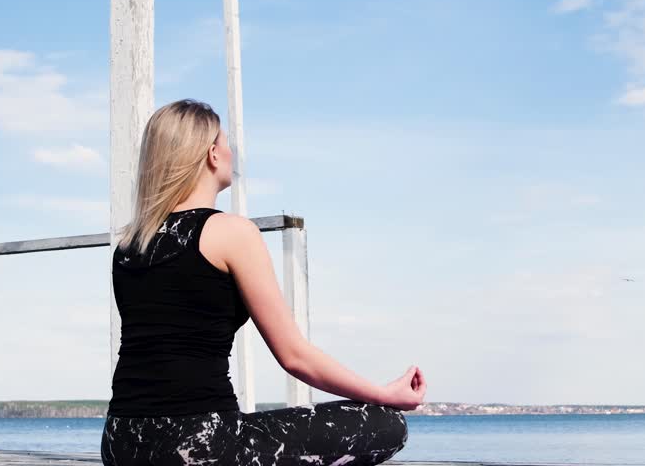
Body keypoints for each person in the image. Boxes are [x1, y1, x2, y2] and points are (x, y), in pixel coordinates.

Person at [101, 99, 425, 466]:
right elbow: (295, 357)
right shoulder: (232, 232)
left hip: (121, 442)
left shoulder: (130, 245)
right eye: (226, 142)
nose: (231, 152)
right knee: (387, 425)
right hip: (199, 445)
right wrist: (384, 395)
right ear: (212, 154)